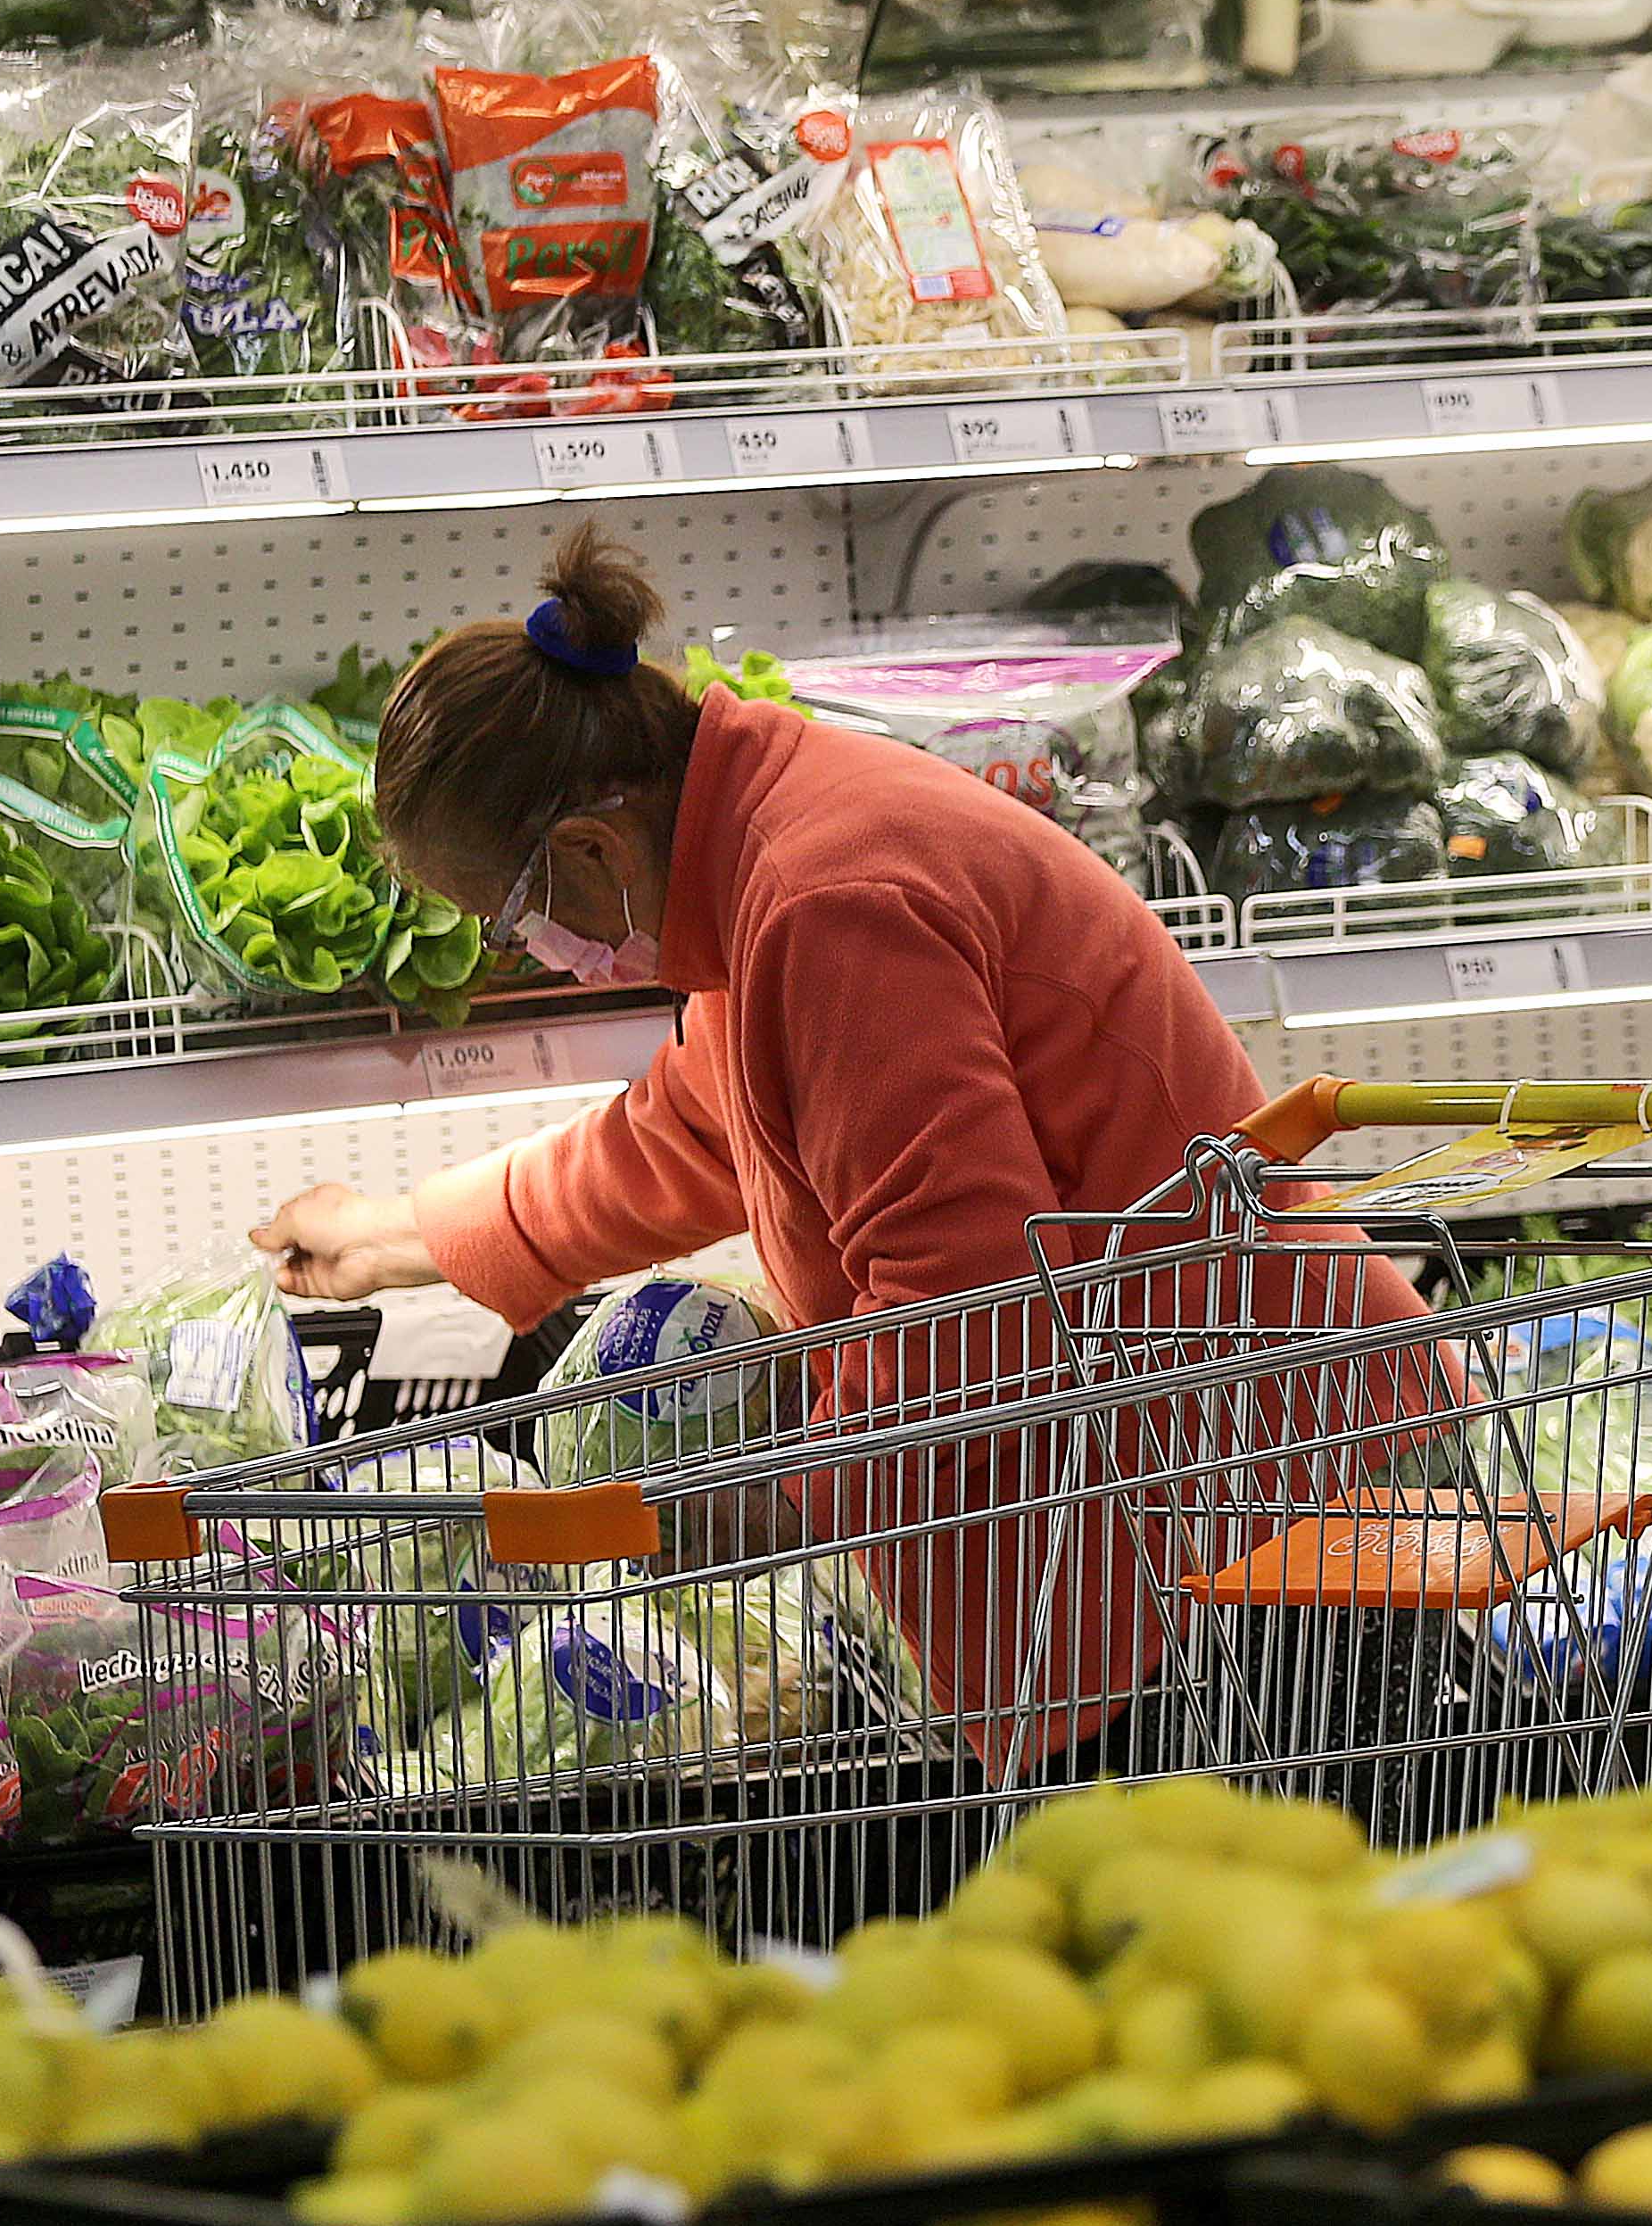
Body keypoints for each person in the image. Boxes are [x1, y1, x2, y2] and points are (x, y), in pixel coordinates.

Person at [256, 524, 1431, 1778]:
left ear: (592, 850)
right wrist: (394, 1239)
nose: (528, 953)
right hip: (1178, 1502)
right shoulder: (768, 859)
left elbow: (965, 1294)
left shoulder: (829, 902)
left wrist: (785, 1501)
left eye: (509, 923)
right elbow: (690, 1134)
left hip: (1242, 1520)